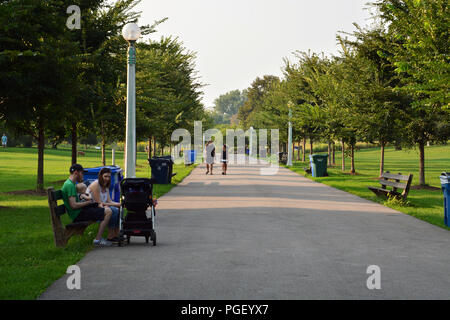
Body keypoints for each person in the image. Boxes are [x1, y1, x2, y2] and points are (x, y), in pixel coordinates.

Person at [61, 164, 113, 247]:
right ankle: (97, 240)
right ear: (76, 173)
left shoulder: (71, 184)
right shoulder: (70, 185)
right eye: (82, 173)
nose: (83, 175)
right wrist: (87, 203)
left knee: (103, 207)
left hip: (80, 211)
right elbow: (73, 205)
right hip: (78, 214)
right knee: (108, 212)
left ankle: (99, 238)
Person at [86, 167, 121, 243]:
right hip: (92, 208)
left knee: (118, 209)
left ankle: (116, 234)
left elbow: (109, 201)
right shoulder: (96, 185)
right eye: (105, 176)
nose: (107, 178)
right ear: (100, 176)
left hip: (101, 206)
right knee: (114, 210)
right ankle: (110, 235)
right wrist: (114, 205)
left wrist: (119, 204)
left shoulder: (105, 185)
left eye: (109, 176)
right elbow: (99, 202)